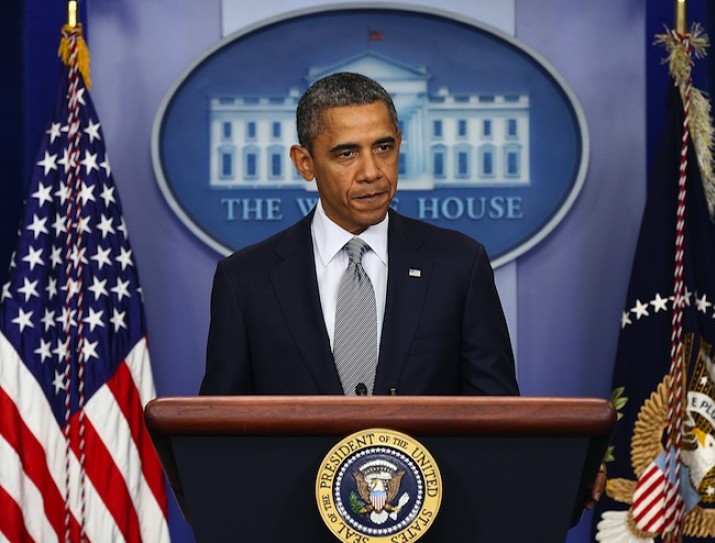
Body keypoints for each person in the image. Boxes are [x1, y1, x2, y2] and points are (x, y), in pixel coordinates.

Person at [199, 71, 605, 508]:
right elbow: (220, 434)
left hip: (433, 524)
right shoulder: (246, 280)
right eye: (346, 153)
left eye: (383, 147)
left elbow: (497, 416)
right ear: (304, 162)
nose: (372, 172)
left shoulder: (457, 265)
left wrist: (561, 471)